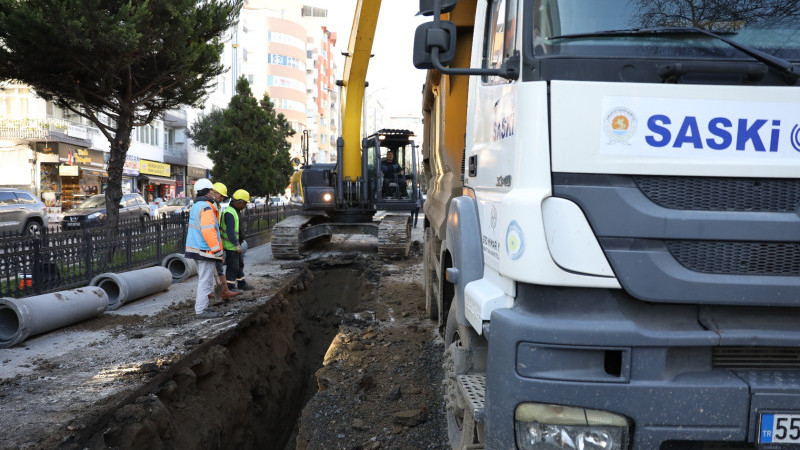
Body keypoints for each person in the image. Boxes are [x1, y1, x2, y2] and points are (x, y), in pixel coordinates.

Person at [184, 179, 235, 319]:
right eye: (212, 190)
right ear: (207, 192)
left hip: (196, 248)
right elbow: (208, 231)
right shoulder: (206, 207)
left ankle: (201, 308)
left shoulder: (197, 206)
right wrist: (217, 250)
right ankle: (201, 310)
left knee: (204, 279)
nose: (214, 193)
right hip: (205, 249)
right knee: (205, 281)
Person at [208, 182, 241, 301]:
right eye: (221, 195)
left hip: (217, 243)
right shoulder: (209, 206)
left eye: (223, 196)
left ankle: (223, 291)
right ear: (213, 192)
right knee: (213, 270)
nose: (222, 198)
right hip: (211, 244)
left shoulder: (216, 206)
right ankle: (222, 292)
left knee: (218, 268)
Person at [220, 189, 255, 292]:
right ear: (239, 202)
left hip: (235, 245)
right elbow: (230, 232)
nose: (245, 206)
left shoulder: (235, 211)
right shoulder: (229, 213)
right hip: (231, 246)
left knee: (240, 265)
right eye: (244, 203)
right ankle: (230, 287)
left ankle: (241, 283)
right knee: (232, 267)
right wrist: (236, 244)